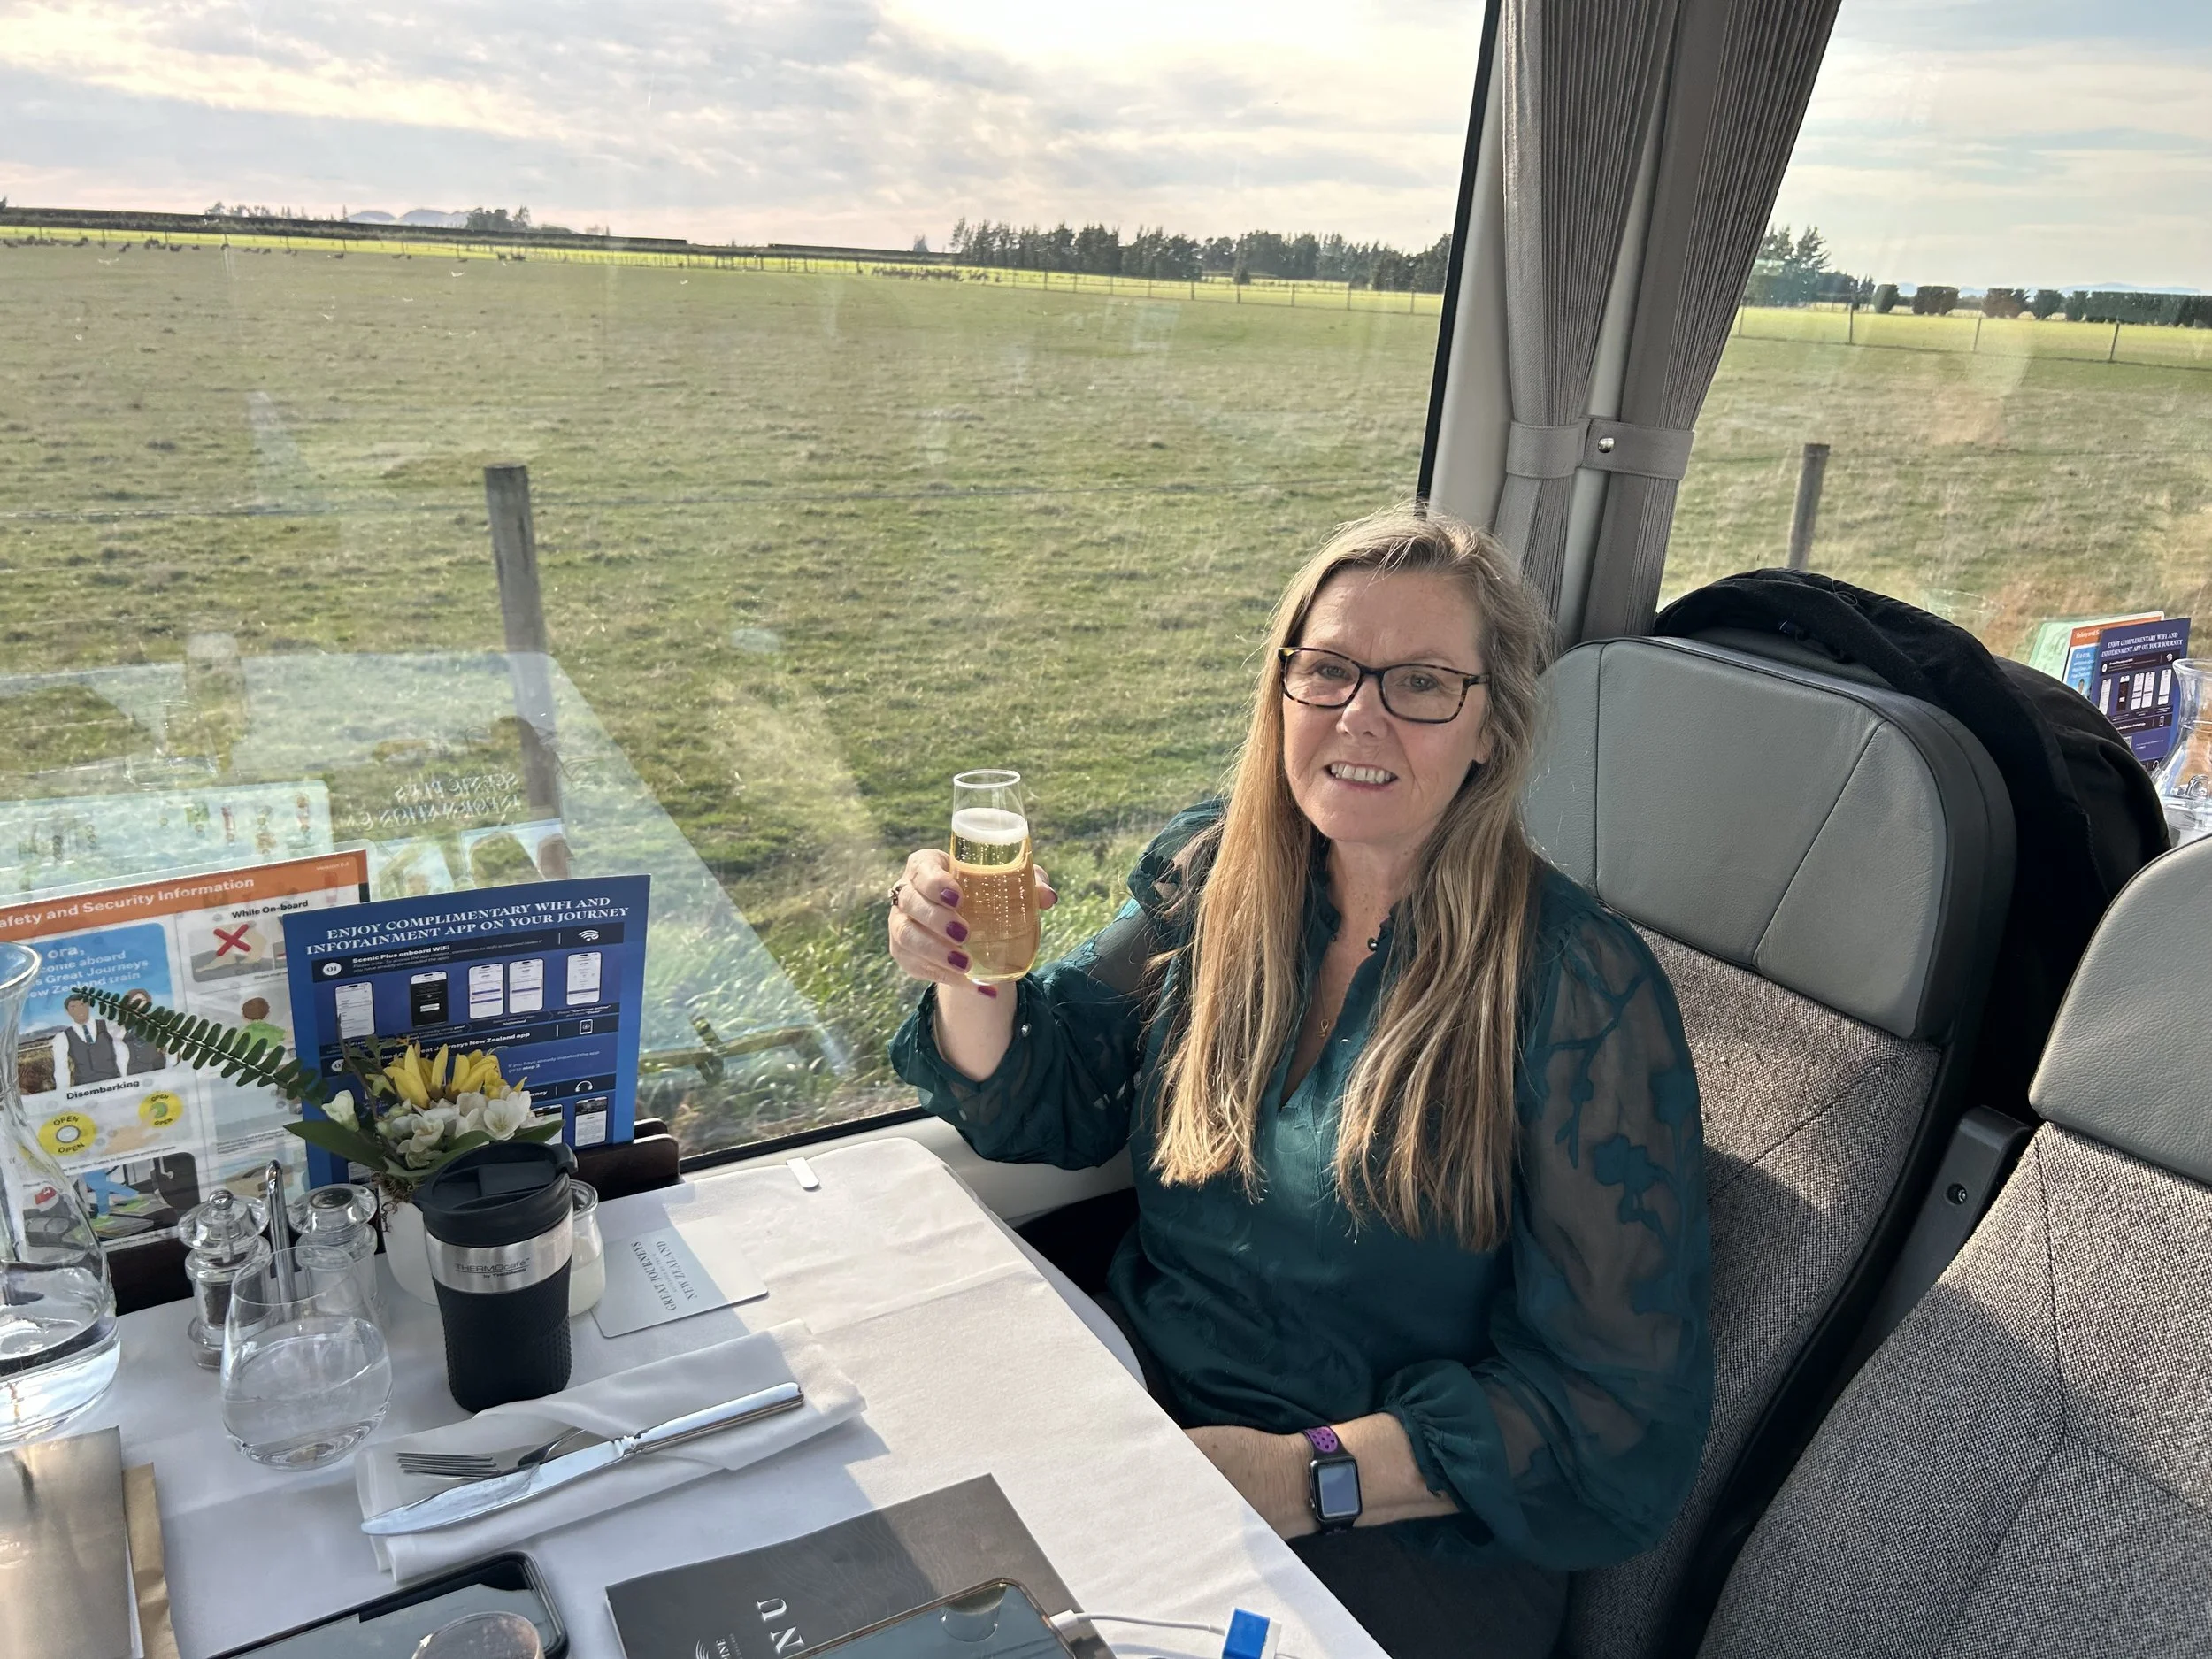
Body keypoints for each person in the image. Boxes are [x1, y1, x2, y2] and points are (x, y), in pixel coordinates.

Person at [887, 505, 1711, 1659]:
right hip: (1139, 1421)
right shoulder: (1220, 874)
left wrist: (1295, 1474)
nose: (1359, 713)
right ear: (1283, 689)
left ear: (1490, 728)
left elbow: (1609, 1404)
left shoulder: (1579, 991)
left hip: (1387, 1534)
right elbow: (1048, 1088)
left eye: (1421, 681)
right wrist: (968, 965)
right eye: (1327, 669)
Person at [53, 995, 125, 1087]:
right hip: (84, 1090)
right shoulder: (63, 1037)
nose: (79, 1010)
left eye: (82, 1005)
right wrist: (64, 1095)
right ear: (68, 1012)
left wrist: (125, 1081)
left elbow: (122, 1054)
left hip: (115, 1084)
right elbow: (61, 1069)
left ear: (89, 1006)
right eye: (73, 1007)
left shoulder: (108, 1026)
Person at [119, 988, 172, 1075]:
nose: (138, 1003)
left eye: (142, 1000)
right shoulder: (122, 1026)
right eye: (134, 1001)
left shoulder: (157, 1022)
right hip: (133, 1073)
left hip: (157, 1069)